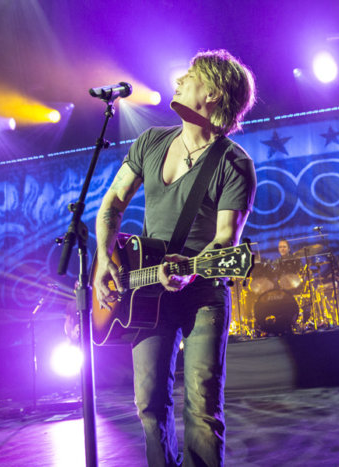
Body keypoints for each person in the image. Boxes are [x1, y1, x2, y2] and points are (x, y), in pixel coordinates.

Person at [93, 49, 256, 466]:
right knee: (149, 405)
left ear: (215, 93)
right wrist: (102, 258)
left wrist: (189, 270)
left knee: (202, 409)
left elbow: (225, 240)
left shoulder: (234, 163)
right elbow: (112, 203)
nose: (179, 78)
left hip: (203, 291)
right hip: (147, 291)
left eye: (192, 75)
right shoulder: (151, 141)